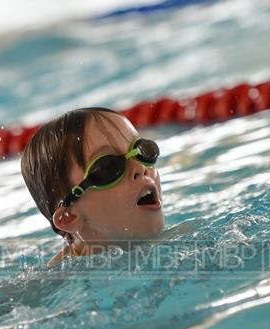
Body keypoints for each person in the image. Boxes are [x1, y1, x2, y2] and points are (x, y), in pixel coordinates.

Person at [20, 107, 165, 266]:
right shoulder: (56, 283)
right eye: (109, 167)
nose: (139, 168)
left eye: (142, 151)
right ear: (68, 217)